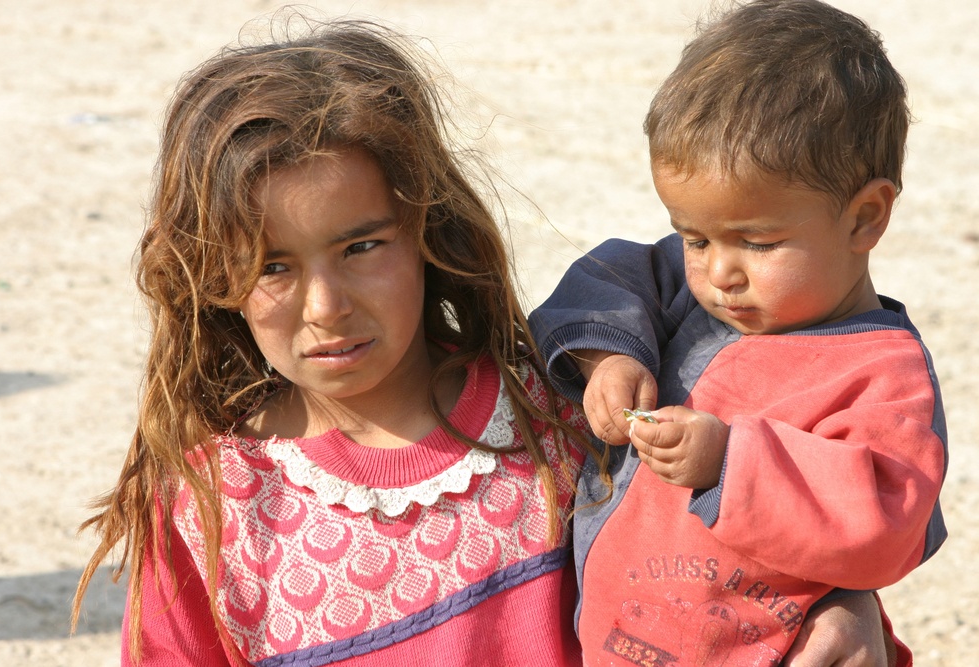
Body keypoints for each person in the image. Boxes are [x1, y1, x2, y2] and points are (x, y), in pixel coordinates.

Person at [69, 11, 899, 667]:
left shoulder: (566, 412)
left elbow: (737, 572)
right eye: (272, 266)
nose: (325, 305)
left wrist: (845, 605)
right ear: (212, 275)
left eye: (362, 246)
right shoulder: (214, 507)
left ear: (426, 227)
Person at [529, 0, 948, 665]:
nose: (719, 272)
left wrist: (730, 462)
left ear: (865, 217)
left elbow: (887, 525)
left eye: (756, 241)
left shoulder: (881, 374)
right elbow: (605, 277)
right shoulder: (686, 285)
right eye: (695, 236)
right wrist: (606, 356)